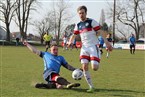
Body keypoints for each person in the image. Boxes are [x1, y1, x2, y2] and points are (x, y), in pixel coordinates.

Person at [68, 5, 113, 93]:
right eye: (79, 13)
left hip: (93, 46)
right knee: (84, 66)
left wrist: (107, 43)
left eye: (83, 13)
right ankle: (91, 86)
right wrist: (70, 41)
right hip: (84, 48)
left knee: (95, 68)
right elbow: (74, 35)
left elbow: (100, 32)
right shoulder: (78, 25)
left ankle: (98, 53)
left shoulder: (92, 22)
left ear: (86, 13)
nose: (81, 15)